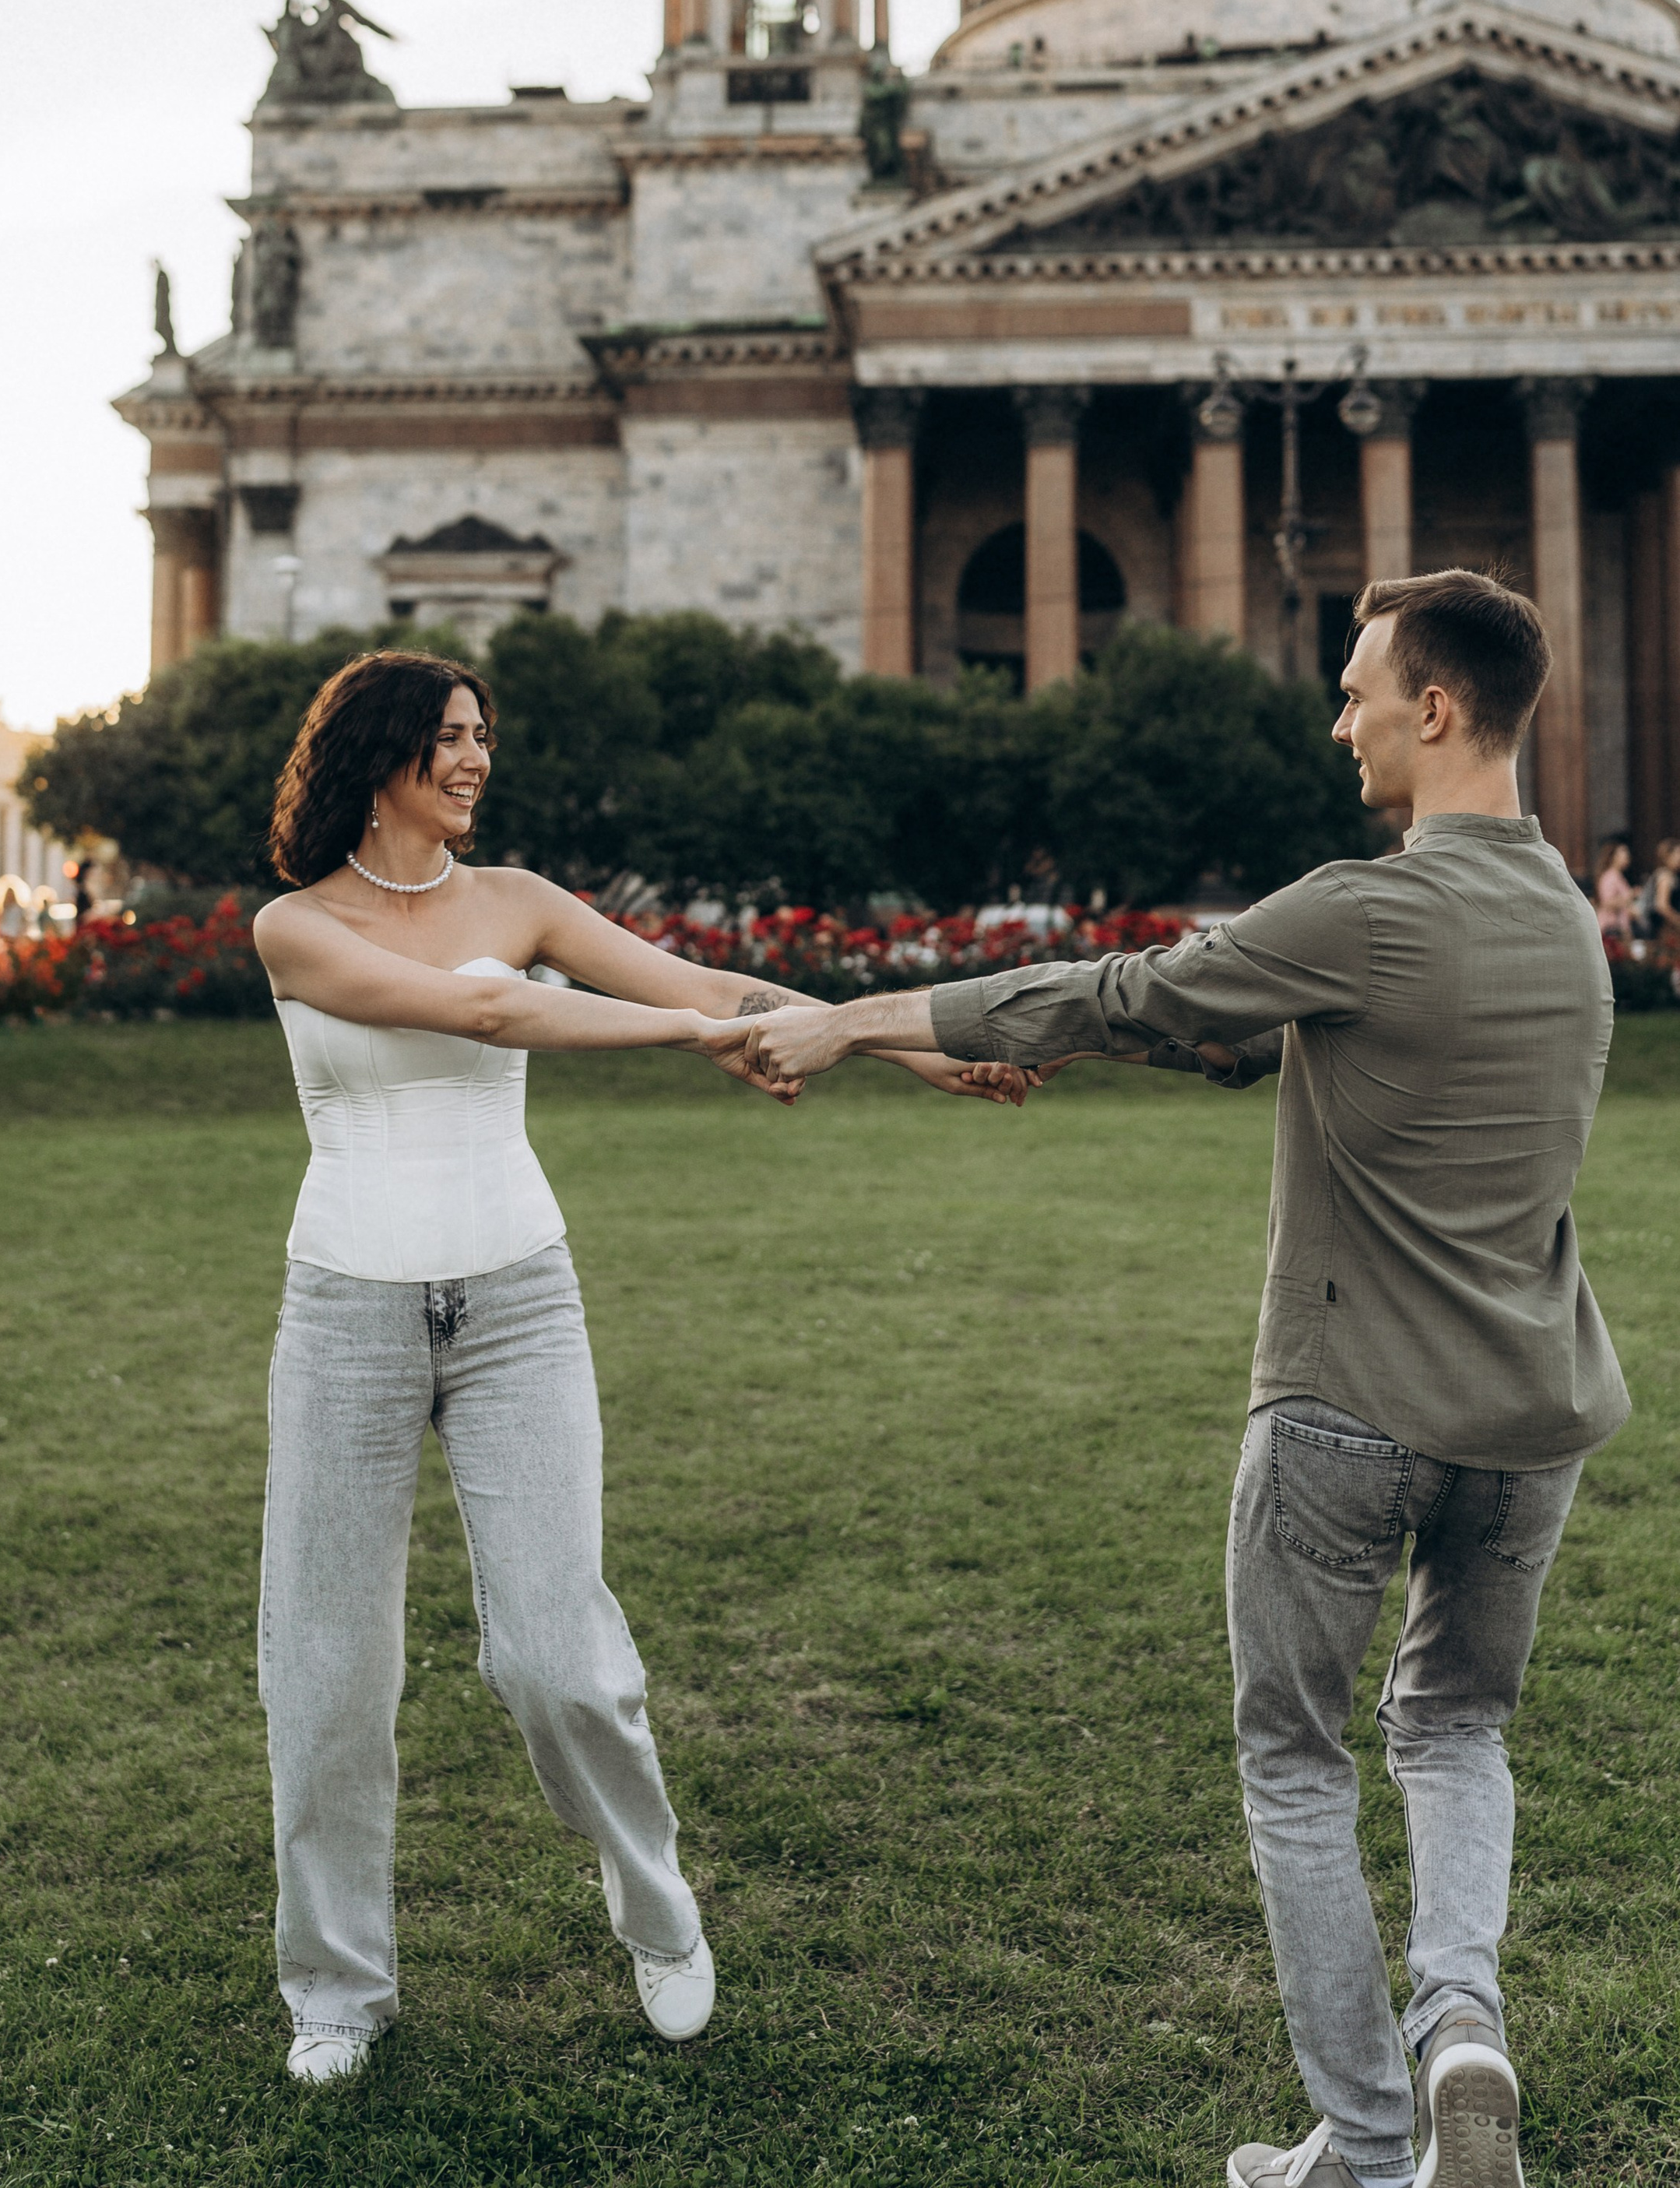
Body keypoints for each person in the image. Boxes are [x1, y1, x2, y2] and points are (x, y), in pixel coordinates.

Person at [722, 570, 1623, 2188]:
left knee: (1292, 1757)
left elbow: (1121, 997)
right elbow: (1276, 1037)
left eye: (1355, 689)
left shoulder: (1368, 907)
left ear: (1433, 709)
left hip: (1345, 1404)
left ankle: (1363, 2145)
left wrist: (854, 1021)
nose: (1335, 716)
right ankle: (1462, 2033)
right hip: (1529, 1421)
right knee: (1453, 1731)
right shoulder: (1570, 919)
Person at [249, 648, 1008, 2082]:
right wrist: (690, 1039)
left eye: (485, 735)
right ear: (380, 751)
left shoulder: (521, 901)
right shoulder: (296, 928)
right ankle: (336, 1989)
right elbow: (490, 1013)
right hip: (346, 1312)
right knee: (327, 1670)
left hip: (519, 1302)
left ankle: (658, 1913)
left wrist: (898, 1049)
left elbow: (700, 978)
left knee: (559, 1659)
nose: (476, 759)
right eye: (453, 737)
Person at [1591, 839, 1638, 943]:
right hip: (1611, 927)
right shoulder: (1610, 877)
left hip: (1621, 927)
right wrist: (1630, 896)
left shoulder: (1619, 876)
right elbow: (1607, 902)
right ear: (1613, 857)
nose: (1627, 857)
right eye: (1623, 854)